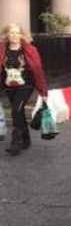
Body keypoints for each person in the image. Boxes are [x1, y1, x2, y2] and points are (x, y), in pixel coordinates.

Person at [0, 23, 49, 156]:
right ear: (7, 35)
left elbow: (38, 71)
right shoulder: (2, 49)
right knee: (19, 112)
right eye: (11, 32)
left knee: (16, 109)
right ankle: (26, 139)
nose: (14, 35)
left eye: (17, 32)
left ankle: (16, 141)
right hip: (9, 86)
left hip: (26, 85)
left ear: (21, 35)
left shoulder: (30, 50)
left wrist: (43, 91)